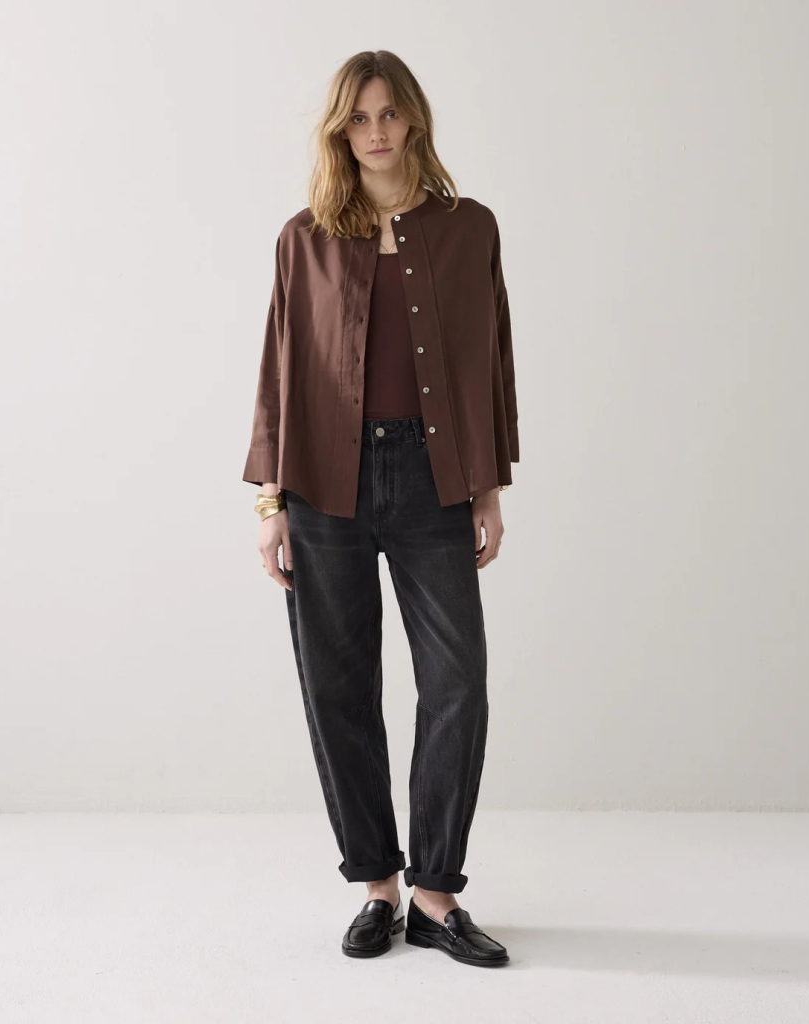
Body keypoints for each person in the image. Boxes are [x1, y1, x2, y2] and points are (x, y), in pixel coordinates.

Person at [242, 50, 519, 968]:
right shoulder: (305, 237)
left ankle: (436, 897)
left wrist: (487, 488)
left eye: (389, 113)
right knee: (338, 687)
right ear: (339, 129)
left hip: (434, 481)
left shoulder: (468, 227)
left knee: (457, 684)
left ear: (414, 120)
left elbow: (490, 362)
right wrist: (270, 502)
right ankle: (378, 888)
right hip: (325, 484)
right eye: (358, 117)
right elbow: (280, 370)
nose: (376, 131)